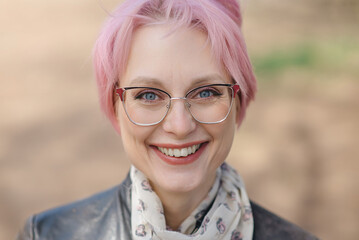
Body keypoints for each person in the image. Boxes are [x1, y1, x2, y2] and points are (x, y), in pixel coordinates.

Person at [17, 0, 318, 239]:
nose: (180, 126)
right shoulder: (46, 235)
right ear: (115, 106)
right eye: (148, 95)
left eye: (206, 92)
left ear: (238, 101)